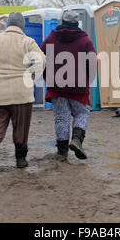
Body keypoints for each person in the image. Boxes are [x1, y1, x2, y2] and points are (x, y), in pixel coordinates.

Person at [0, 12, 45, 173]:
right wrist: (30, 77)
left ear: (8, 25)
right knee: (21, 127)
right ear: (22, 26)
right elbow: (41, 60)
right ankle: (21, 159)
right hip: (22, 94)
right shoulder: (28, 42)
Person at [40, 10, 97, 161]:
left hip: (56, 85)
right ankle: (77, 139)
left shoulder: (51, 38)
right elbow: (92, 63)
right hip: (78, 86)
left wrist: (48, 78)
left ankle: (62, 152)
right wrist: (87, 81)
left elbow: (41, 59)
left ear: (62, 22)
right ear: (77, 23)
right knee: (82, 113)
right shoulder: (85, 41)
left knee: (61, 118)